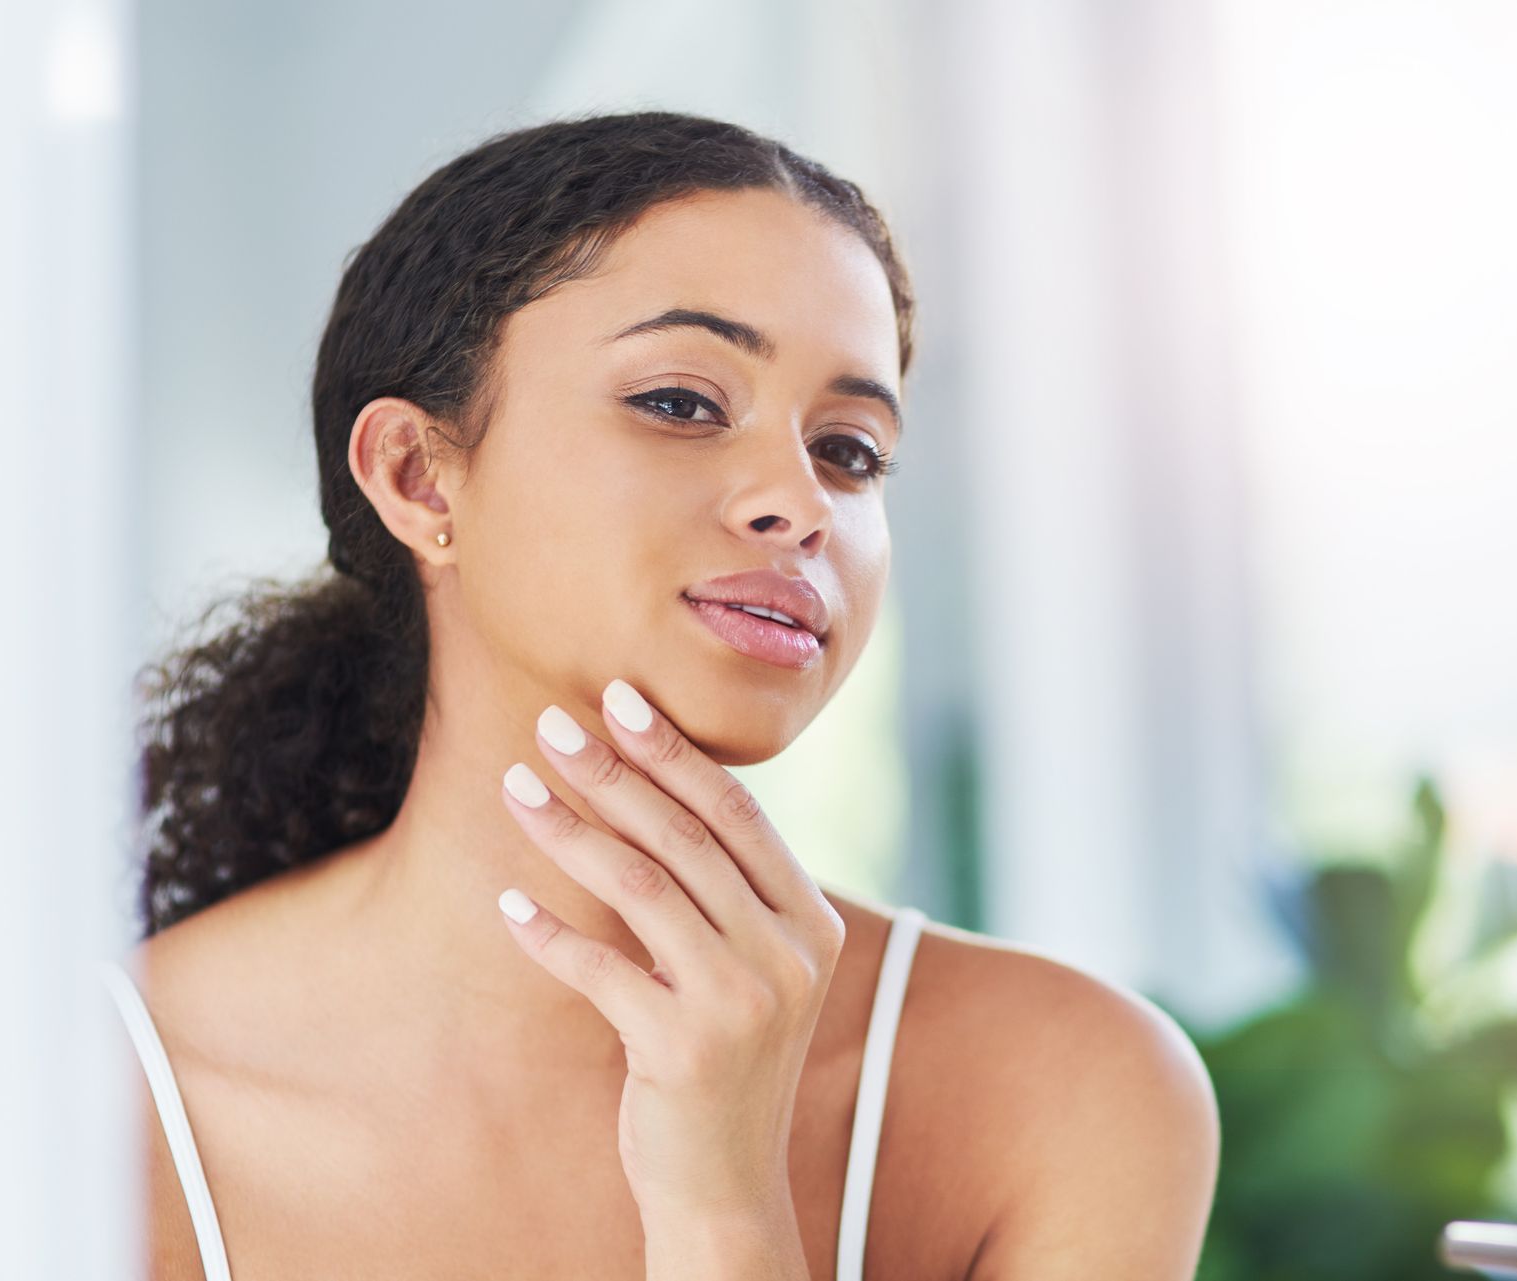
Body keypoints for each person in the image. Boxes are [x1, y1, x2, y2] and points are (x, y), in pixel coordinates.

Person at [106, 110, 1219, 1280]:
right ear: (418, 474)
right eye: (683, 402)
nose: (802, 504)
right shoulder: (85, 1094)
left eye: (850, 449)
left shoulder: (1066, 1090)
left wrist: (725, 1207)